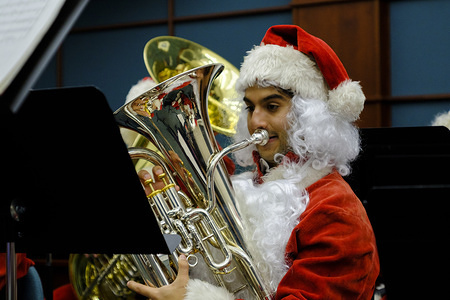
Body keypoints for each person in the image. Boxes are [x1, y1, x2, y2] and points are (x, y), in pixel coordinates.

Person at [127, 24, 380, 299]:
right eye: (250, 107)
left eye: (272, 106)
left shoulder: (336, 211)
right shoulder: (250, 184)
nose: (255, 121)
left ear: (310, 115)